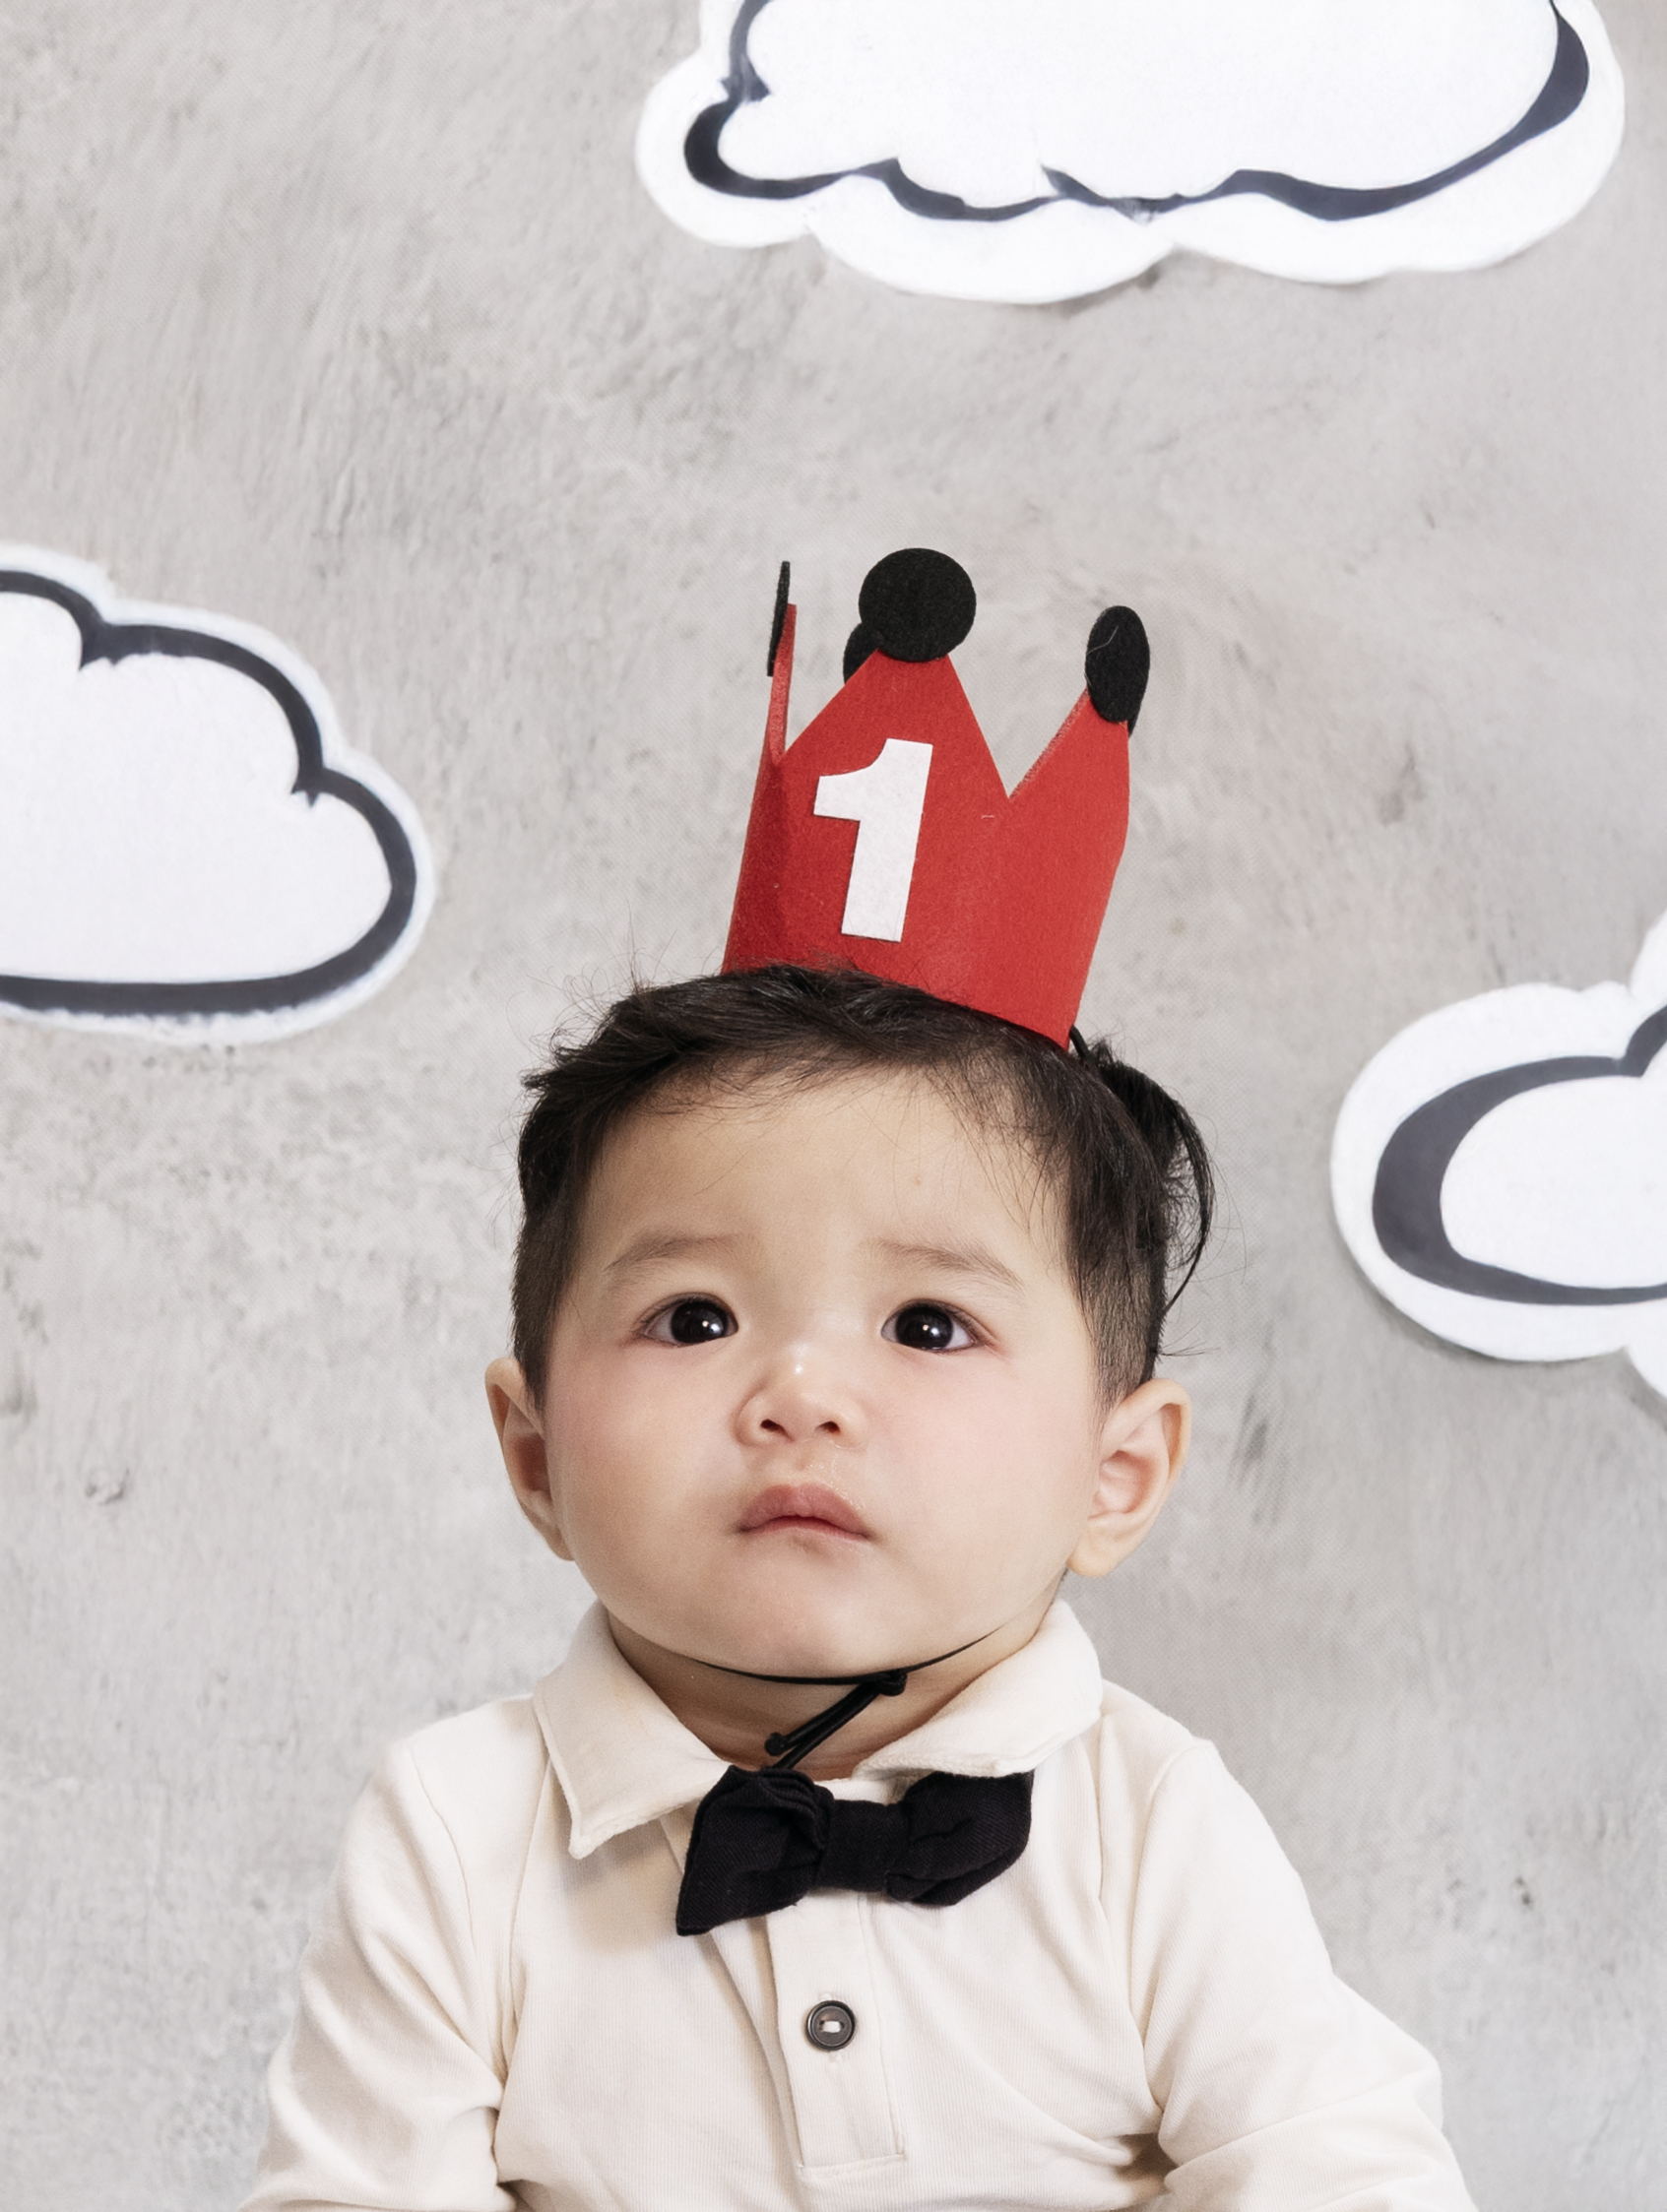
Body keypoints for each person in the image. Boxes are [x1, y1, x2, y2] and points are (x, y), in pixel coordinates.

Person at [241, 555, 1474, 2211]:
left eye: (928, 1326)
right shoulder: (460, 1831)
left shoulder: (1147, 1824)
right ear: (533, 1458)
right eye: (693, 1319)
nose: (802, 1393)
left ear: (1113, 1477)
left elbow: (1344, 2175)